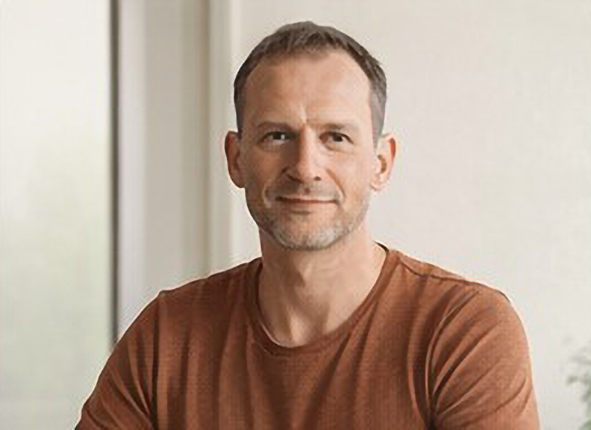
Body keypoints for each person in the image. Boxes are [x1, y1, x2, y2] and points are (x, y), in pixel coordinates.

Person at [76, 21, 540, 429]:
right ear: (236, 159)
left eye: (335, 137)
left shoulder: (463, 331)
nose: (305, 167)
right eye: (277, 135)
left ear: (381, 163)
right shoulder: (166, 337)